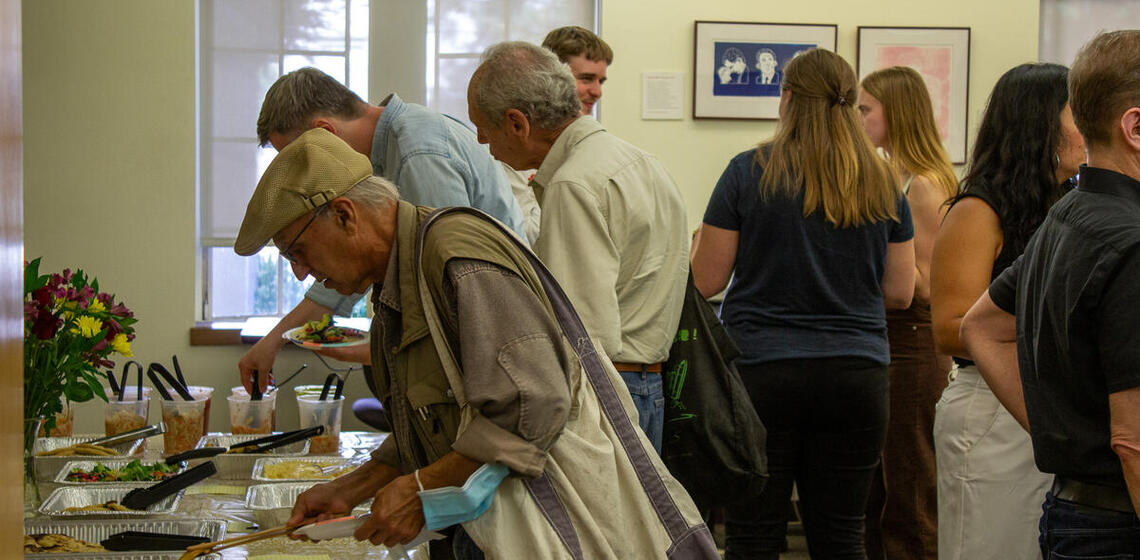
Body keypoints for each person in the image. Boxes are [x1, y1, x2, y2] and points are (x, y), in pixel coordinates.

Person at [234, 127, 717, 559]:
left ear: (344, 215)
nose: (301, 272)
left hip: (547, 523)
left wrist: (421, 486)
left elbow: (533, 403)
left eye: (298, 251)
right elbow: (430, 424)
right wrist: (354, 486)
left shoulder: (454, 252)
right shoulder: (394, 282)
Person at [690, 48, 916, 559]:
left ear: (787, 96)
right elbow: (899, 293)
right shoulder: (884, 182)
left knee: (752, 535)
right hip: (856, 374)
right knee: (840, 536)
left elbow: (705, 280)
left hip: (763, 373)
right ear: (850, 103)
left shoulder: (748, 172)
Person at [239, 67, 527, 395]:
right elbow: (344, 267)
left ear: (325, 132)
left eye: (298, 160)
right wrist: (273, 341)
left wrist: (379, 351)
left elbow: (443, 287)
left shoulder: (417, 153)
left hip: (500, 357)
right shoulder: (386, 151)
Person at [961, 30, 1140, 559]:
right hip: (1118, 524)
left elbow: (983, 326)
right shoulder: (1129, 240)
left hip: (1079, 510)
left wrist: (1058, 430)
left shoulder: (1070, 211)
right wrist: (1061, 430)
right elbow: (1133, 442)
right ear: (1135, 126)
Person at [467, 41, 689, 453]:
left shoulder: (575, 183)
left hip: (609, 392)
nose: (481, 140)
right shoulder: (641, 161)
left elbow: (583, 333)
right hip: (649, 382)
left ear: (517, 123)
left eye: (483, 126)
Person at [929, 62, 1084, 560]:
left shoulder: (1070, 201)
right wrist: (1057, 325)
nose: (1087, 126)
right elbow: (950, 328)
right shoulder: (980, 208)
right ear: (1041, 123)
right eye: (1076, 112)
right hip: (991, 404)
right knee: (986, 546)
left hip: (1043, 400)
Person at [856, 65, 957, 560]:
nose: (857, 118)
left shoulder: (921, 184)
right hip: (890, 340)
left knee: (911, 489)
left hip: (914, 344)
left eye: (865, 109)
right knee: (882, 490)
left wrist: (871, 254)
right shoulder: (890, 174)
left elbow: (929, 287)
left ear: (894, 113)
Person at [542, 25, 612, 116]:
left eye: (601, 82)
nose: (597, 92)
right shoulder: (522, 127)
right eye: (587, 79)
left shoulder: (587, 128)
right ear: (553, 77)